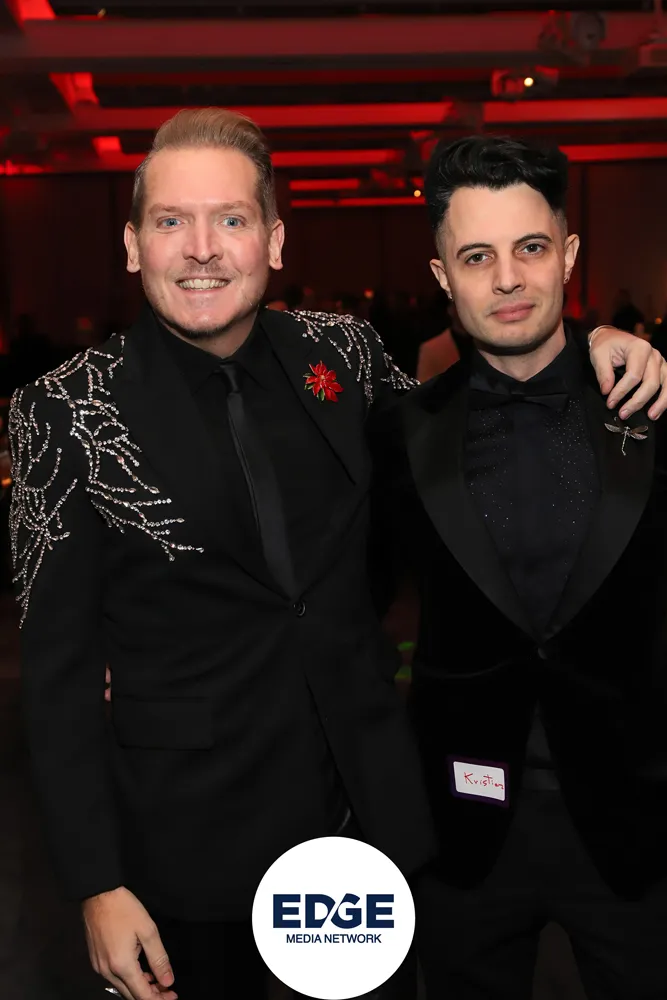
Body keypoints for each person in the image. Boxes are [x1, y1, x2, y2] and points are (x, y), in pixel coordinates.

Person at [8, 110, 664, 1000]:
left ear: (274, 241)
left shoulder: (343, 355)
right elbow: (55, 675)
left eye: (231, 219)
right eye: (170, 221)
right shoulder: (64, 410)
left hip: (365, 827)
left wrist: (597, 343)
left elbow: (469, 413)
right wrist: (97, 881)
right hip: (187, 848)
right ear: (132, 245)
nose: (202, 249)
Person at [371, 133, 667, 999]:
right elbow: (340, 603)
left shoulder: (651, 405)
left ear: (567, 255)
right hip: (464, 832)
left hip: (638, 827)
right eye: (477, 256)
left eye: (530, 248)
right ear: (442, 276)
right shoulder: (399, 433)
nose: (507, 278)